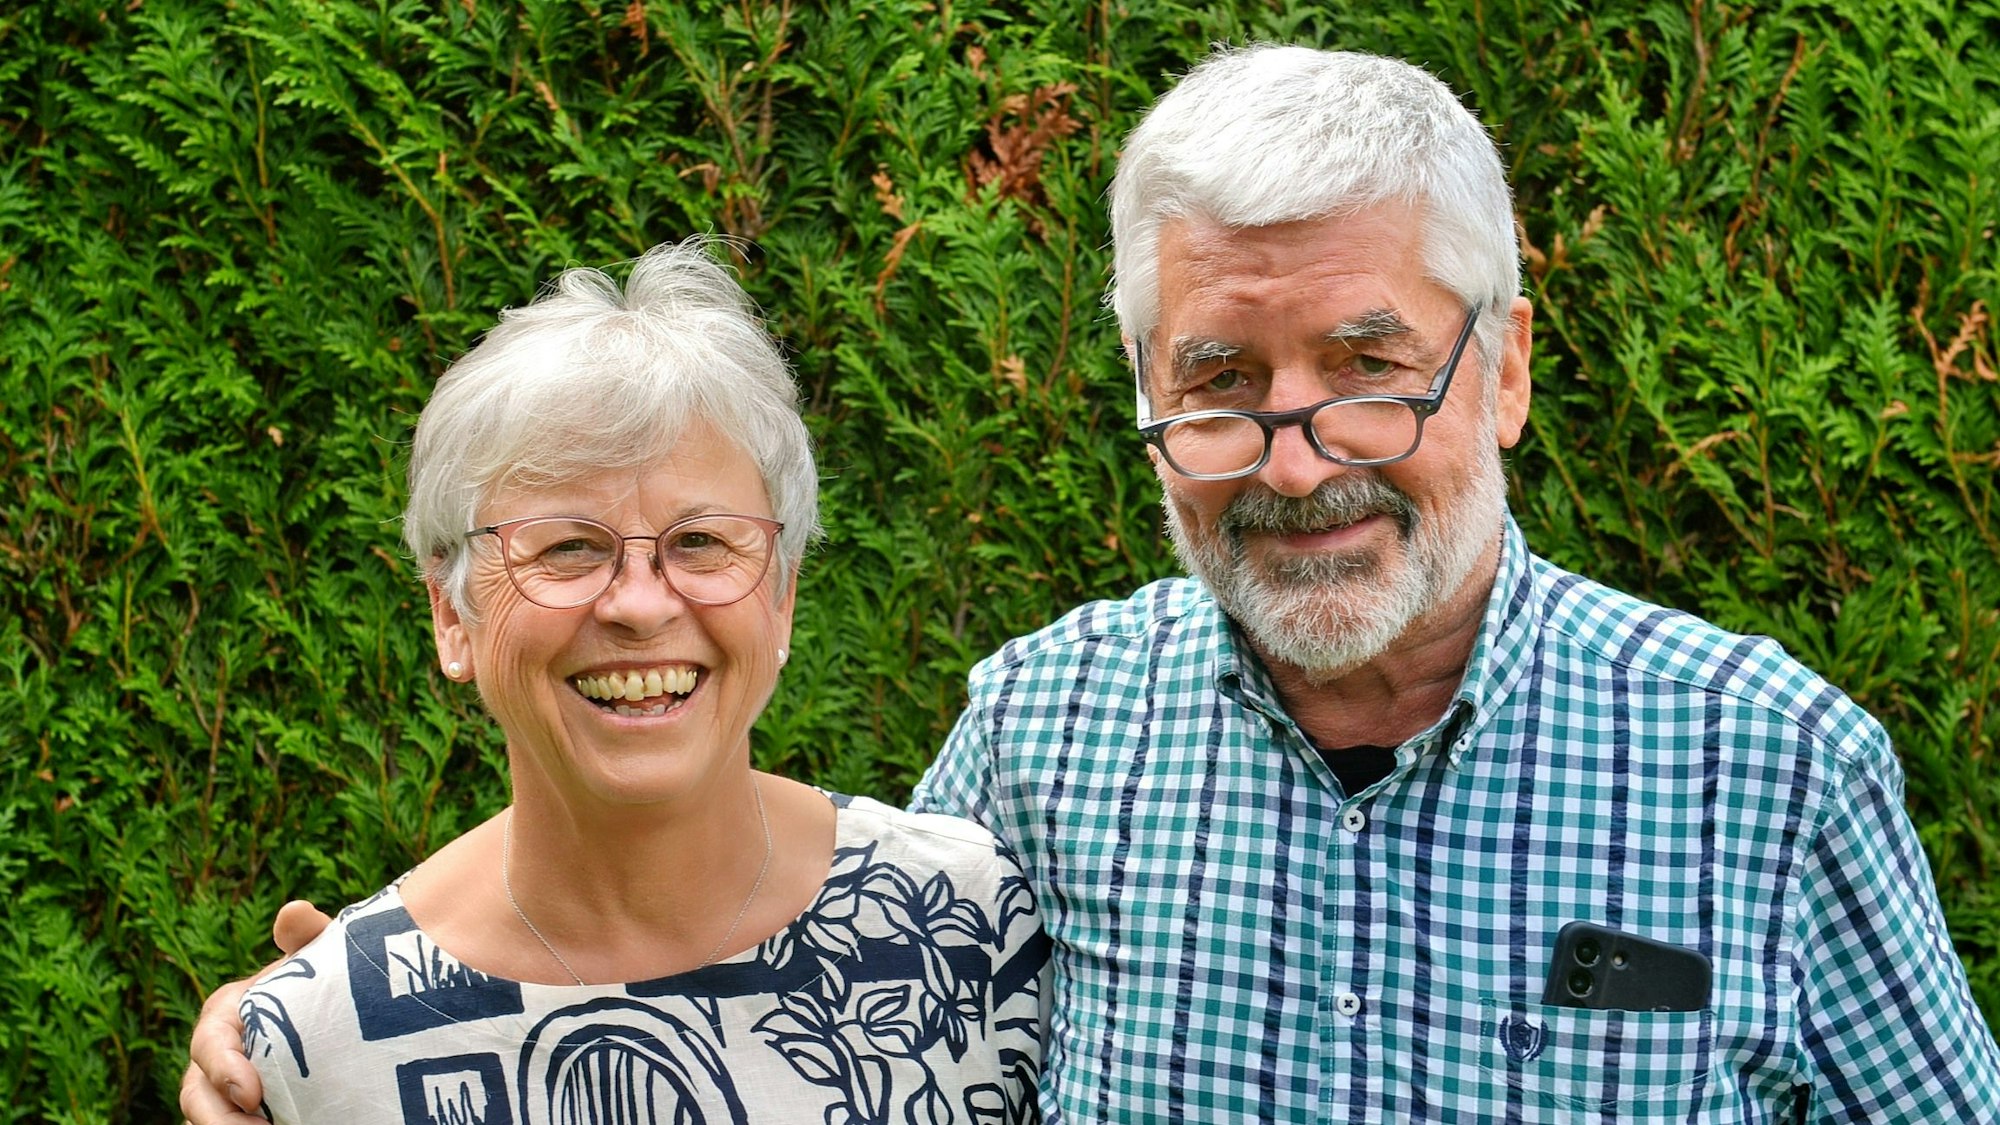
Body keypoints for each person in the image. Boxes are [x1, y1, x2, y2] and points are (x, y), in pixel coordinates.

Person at [188, 45, 2000, 1123]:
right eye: (1217, 385)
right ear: (1146, 399)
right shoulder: (1043, 736)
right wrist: (345, 1009)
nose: (1296, 460)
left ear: (1505, 368)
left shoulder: (1766, 768)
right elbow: (798, 998)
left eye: (1371, 367)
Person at [186, 238, 1045, 1124]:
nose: (639, 603)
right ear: (452, 614)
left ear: (782, 596)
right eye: (567, 546)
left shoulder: (970, 927)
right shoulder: (317, 1047)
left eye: (703, 541)